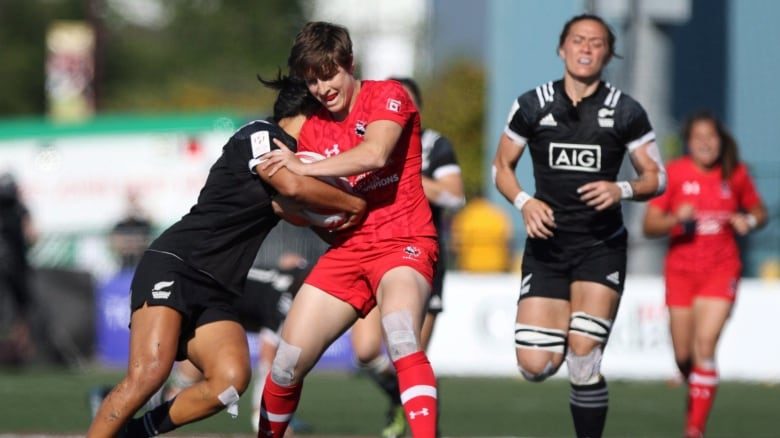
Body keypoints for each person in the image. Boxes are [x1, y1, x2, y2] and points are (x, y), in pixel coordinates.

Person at [86, 73, 366, 437]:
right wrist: (354, 203)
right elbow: (292, 186)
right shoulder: (261, 134)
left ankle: (135, 433)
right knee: (148, 374)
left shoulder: (297, 161)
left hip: (216, 288)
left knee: (230, 380)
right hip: (177, 265)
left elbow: (302, 211)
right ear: (310, 111)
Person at [258, 21, 440, 438]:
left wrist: (303, 168)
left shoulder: (387, 95)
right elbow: (300, 204)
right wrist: (298, 206)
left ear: (349, 63)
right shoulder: (312, 128)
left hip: (403, 242)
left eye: (329, 74)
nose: (323, 88)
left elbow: (374, 154)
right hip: (346, 252)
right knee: (286, 365)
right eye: (313, 80)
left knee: (401, 336)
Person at [492, 14, 666, 438]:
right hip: (547, 248)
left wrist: (621, 189)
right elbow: (501, 168)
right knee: (535, 365)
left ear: (608, 54)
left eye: (596, 42)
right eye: (577, 40)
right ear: (561, 48)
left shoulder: (626, 111)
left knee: (584, 356)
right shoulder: (532, 104)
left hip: (599, 246)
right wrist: (524, 202)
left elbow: (656, 177)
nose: (586, 48)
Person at [346, 76, 465, 438]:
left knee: (409, 353)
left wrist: (404, 173)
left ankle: (420, 422)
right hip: (371, 251)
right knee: (366, 351)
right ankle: (401, 399)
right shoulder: (363, 140)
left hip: (418, 256)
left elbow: (455, 196)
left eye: (404, 102)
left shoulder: (434, 145)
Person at [642, 111, 767, 438]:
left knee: (705, 344)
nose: (705, 144)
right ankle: (692, 383)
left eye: (710, 137)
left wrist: (748, 221)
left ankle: (695, 428)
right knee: (684, 355)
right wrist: (676, 220)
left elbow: (759, 211)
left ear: (720, 141)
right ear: (689, 142)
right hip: (681, 273)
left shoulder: (735, 173)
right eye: (698, 138)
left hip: (721, 270)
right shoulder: (675, 173)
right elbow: (649, 225)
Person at [0, 172, 37, 364]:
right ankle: (19, 351)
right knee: (21, 312)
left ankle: (19, 351)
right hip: (16, 266)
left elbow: (31, 235)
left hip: (15, 267)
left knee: (21, 312)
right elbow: (32, 236)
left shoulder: (19, 209)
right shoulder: (19, 209)